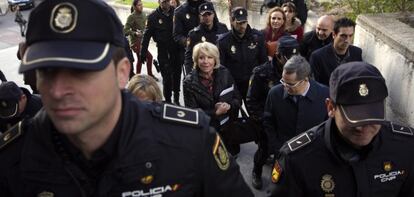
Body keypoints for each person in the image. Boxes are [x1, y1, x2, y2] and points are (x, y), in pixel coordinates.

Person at [0, 0, 253, 196]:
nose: (58, 91)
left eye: (81, 72)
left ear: (122, 73)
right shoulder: (14, 157)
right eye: (46, 71)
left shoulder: (190, 141)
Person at [268, 61, 414, 197]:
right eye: (354, 117)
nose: (362, 127)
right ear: (331, 108)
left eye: (372, 115)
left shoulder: (405, 146)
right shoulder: (296, 160)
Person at [246, 35, 300, 189]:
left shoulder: (300, 71)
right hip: (268, 123)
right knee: (264, 151)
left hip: (289, 123)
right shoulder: (261, 73)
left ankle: (280, 177)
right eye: (290, 58)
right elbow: (251, 100)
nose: (294, 62)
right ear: (278, 56)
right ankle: (257, 171)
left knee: (285, 154)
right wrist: (263, 120)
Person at [183, 42, 242, 155]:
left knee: (231, 159)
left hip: (228, 128)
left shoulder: (225, 73)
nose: (206, 61)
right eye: (201, 58)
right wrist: (215, 112)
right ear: (196, 60)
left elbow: (237, 98)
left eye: (210, 57)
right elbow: (193, 113)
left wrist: (229, 106)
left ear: (215, 59)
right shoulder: (189, 82)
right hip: (207, 131)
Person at [217, 7, 267, 101]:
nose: (242, 26)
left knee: (255, 113)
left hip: (253, 84)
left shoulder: (257, 37)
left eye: (244, 22)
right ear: (232, 21)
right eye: (239, 23)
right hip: (234, 85)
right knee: (233, 113)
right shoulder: (223, 41)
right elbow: (221, 68)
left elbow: (263, 62)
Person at [140, 0, 181, 104]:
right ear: (159, 2)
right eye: (163, 1)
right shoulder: (153, 17)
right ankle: (168, 101)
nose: (165, 3)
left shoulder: (177, 12)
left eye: (167, 1)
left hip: (176, 50)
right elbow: (146, 35)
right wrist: (143, 52)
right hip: (163, 51)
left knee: (177, 76)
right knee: (167, 78)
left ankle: (176, 98)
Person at [309, 17, 362, 86]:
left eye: (350, 36)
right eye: (343, 36)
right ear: (334, 35)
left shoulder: (357, 52)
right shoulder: (317, 56)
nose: (347, 40)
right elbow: (314, 84)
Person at [183, 2, 228, 74]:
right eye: (204, 15)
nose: (207, 17)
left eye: (209, 14)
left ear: (213, 14)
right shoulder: (194, 34)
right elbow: (188, 58)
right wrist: (189, 76)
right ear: (200, 17)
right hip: (202, 71)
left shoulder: (222, 29)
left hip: (220, 71)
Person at [124, 0, 158, 81]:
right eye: (139, 5)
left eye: (141, 4)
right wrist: (135, 33)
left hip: (143, 41)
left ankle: (137, 78)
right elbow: (125, 30)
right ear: (135, 7)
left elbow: (146, 26)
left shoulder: (143, 14)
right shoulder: (131, 17)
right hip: (135, 42)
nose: (141, 6)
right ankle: (149, 75)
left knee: (140, 59)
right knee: (149, 57)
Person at [173, 0, 206, 75]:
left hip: (208, 50)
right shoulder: (180, 11)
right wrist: (189, 42)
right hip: (190, 53)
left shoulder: (207, 6)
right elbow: (177, 35)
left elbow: (216, 27)